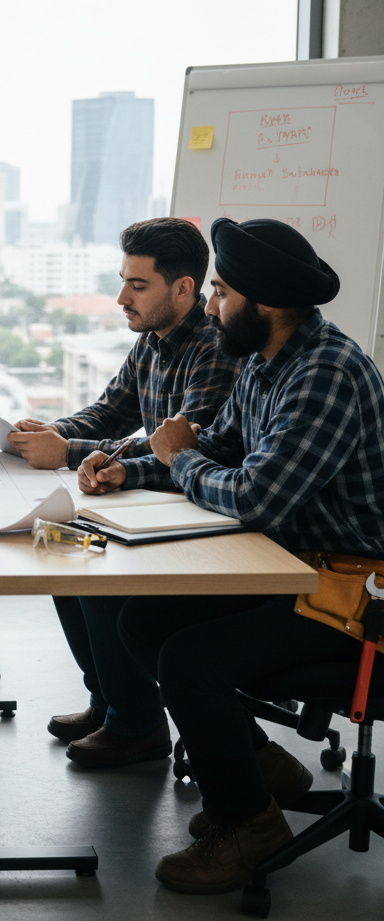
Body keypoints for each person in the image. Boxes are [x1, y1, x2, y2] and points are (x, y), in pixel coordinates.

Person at [101, 217, 384, 893]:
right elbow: (218, 450)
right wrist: (126, 469)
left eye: (222, 293)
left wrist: (177, 456)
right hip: (296, 570)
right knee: (144, 622)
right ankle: (257, 769)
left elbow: (255, 497)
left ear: (267, 303)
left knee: (189, 660)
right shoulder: (265, 362)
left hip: (356, 599)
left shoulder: (327, 374)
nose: (212, 305)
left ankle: (248, 824)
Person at [8, 218, 241, 767]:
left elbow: (180, 448)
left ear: (183, 289)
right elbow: (110, 411)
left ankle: (137, 724)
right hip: (157, 504)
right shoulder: (152, 342)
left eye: (137, 286)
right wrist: (51, 433)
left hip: (197, 510)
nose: (121, 298)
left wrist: (67, 455)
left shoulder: (214, 349)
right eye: (122, 281)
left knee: (92, 569)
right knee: (56, 545)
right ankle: (111, 700)